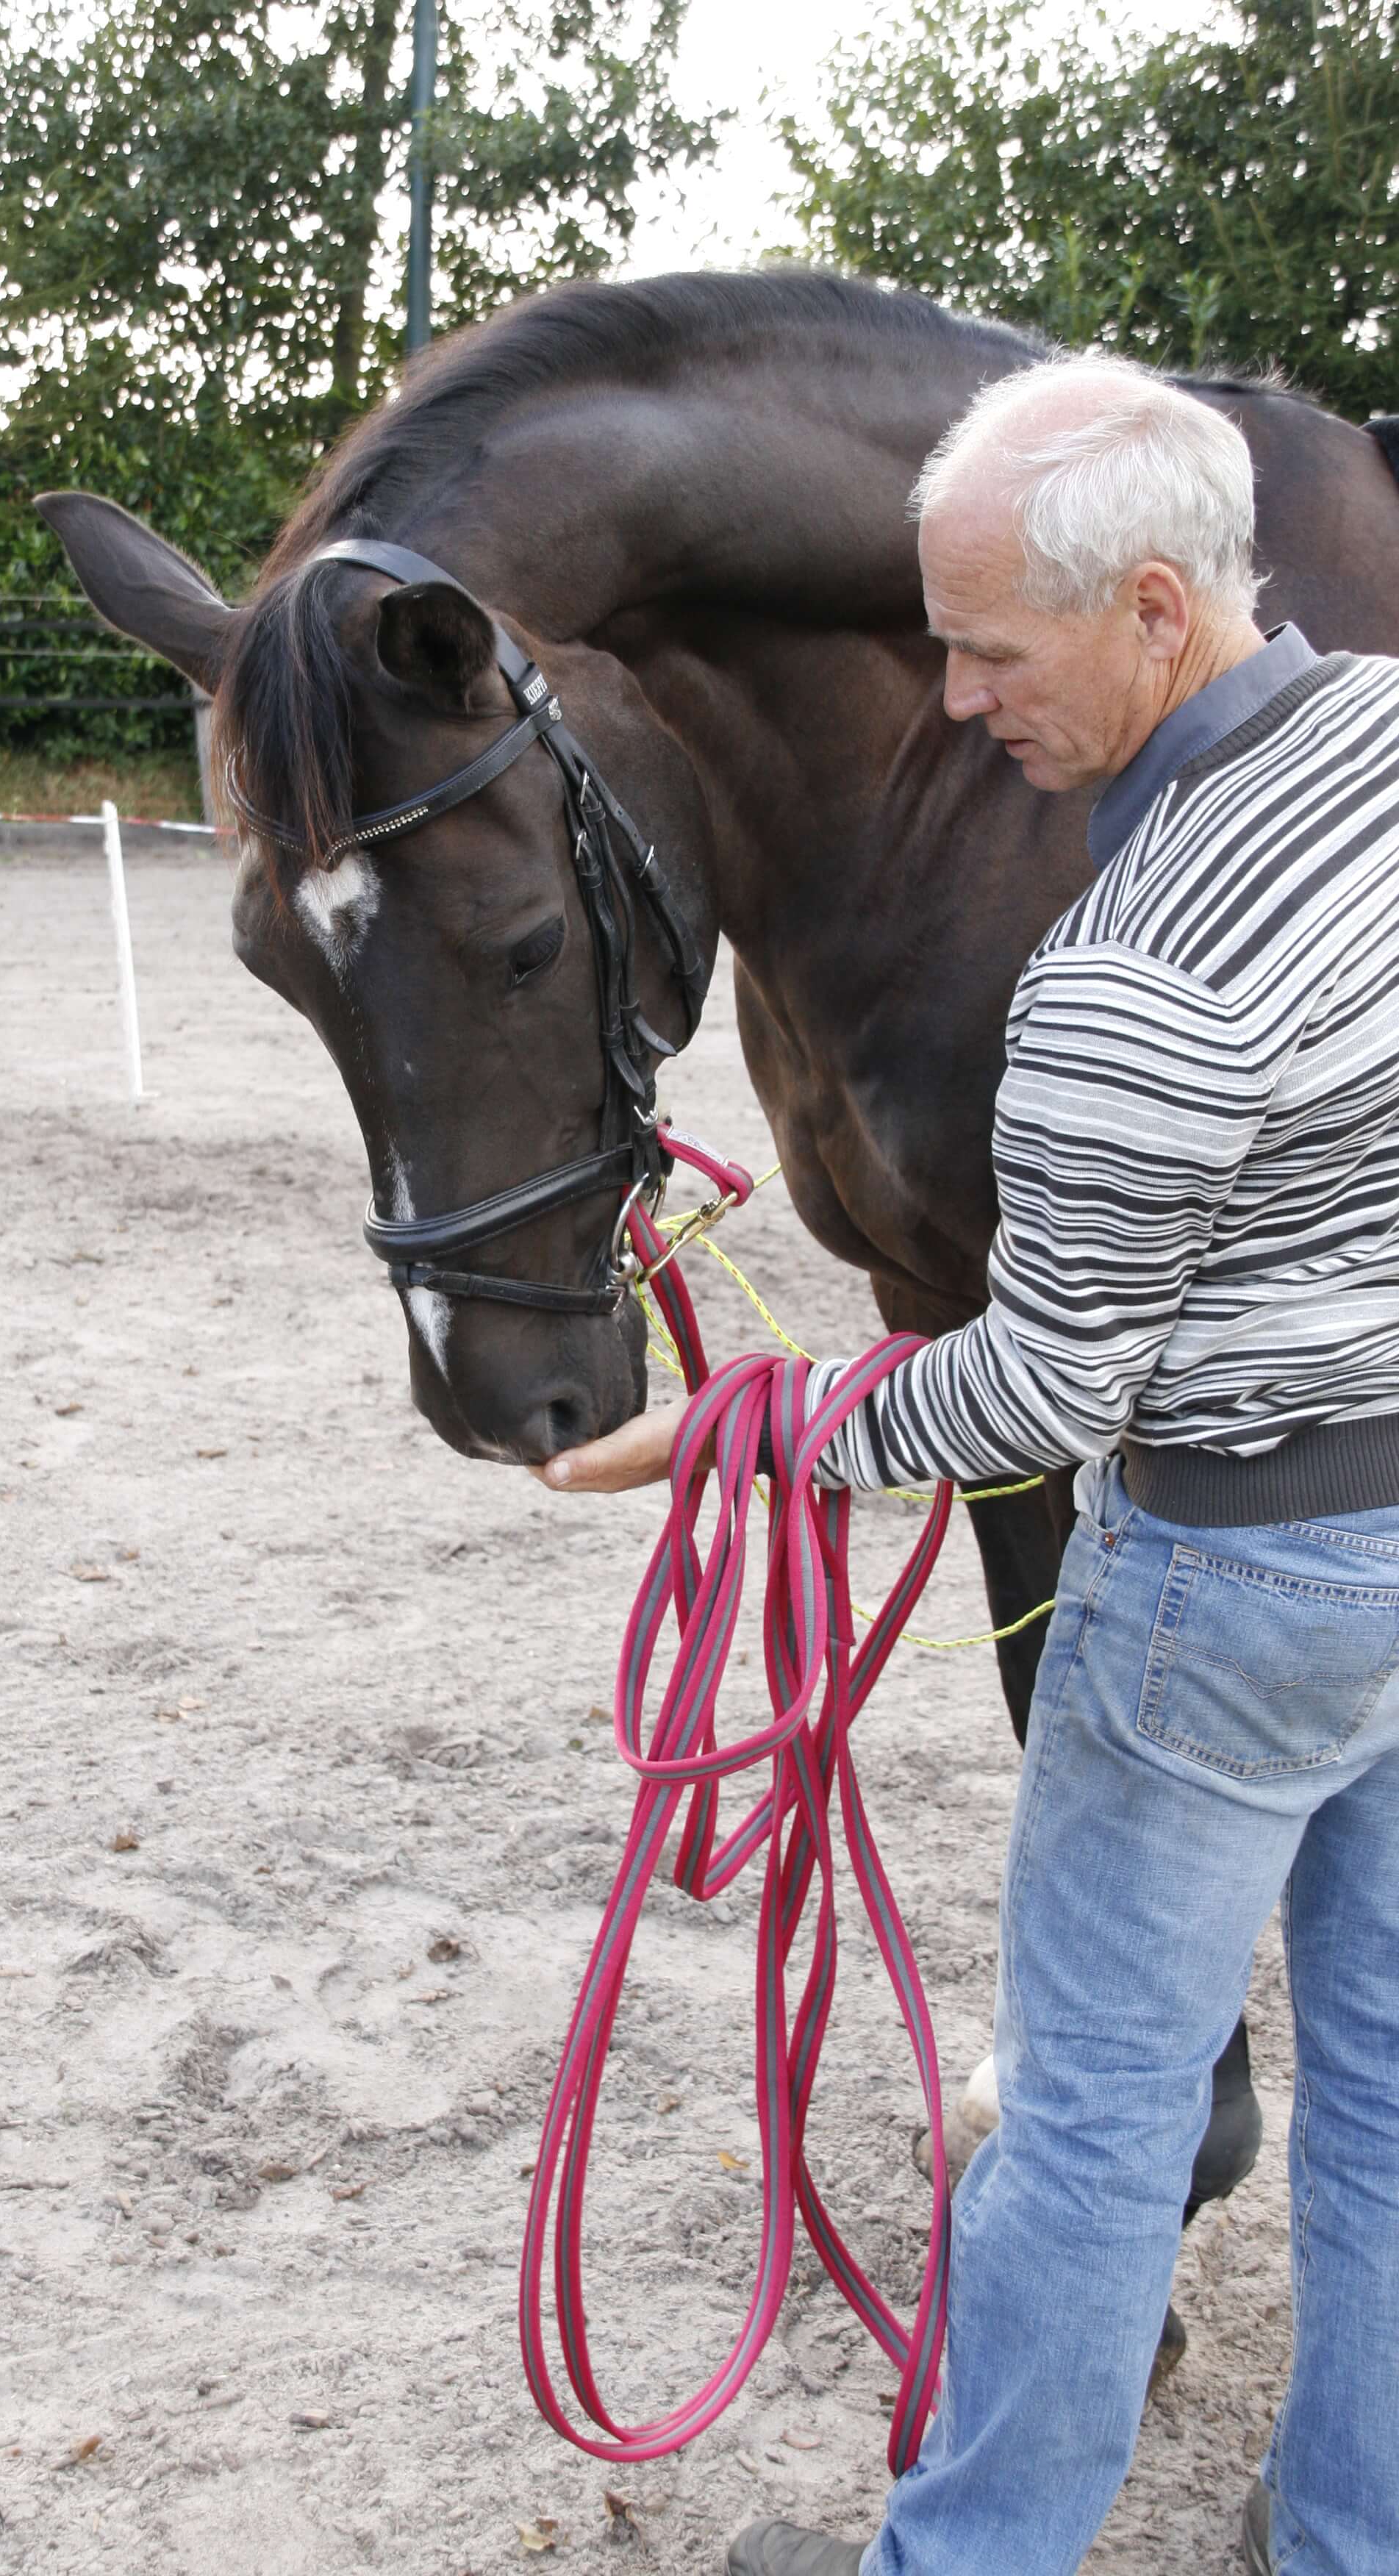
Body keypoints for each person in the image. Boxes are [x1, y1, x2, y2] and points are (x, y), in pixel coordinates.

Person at [532, 351, 1399, 2576]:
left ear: (1153, 612)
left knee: (1095, 2120)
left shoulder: (1128, 974)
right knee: (1388, 2095)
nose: (951, 697)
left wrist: (768, 1432)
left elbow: (1037, 1396)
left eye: (994, 648)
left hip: (1231, 1583)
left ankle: (972, 2554)